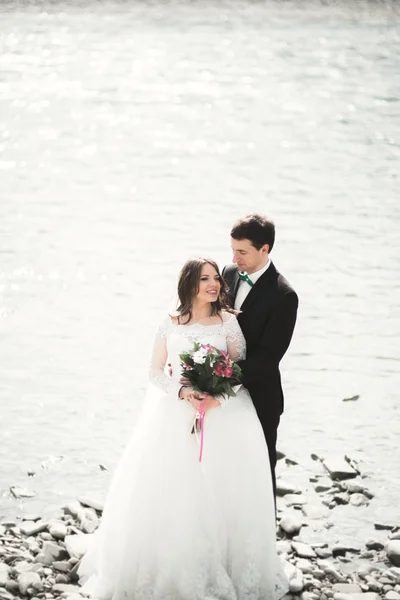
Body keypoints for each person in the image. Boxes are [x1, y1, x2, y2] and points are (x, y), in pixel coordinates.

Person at [78, 258, 288, 600]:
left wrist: (216, 396)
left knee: (223, 490)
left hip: (224, 414)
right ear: (189, 283)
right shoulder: (170, 322)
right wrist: (182, 391)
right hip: (174, 413)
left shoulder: (228, 323)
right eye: (205, 279)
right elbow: (155, 370)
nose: (214, 284)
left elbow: (238, 369)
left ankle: (226, 563)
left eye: (216, 279)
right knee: (174, 489)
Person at [222, 214, 298, 497]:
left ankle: (264, 537)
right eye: (232, 250)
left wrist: (221, 375)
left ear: (264, 249)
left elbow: (268, 358)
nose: (234, 257)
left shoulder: (284, 296)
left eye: (242, 252)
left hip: (259, 398)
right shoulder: (227, 273)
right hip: (219, 399)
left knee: (260, 475)